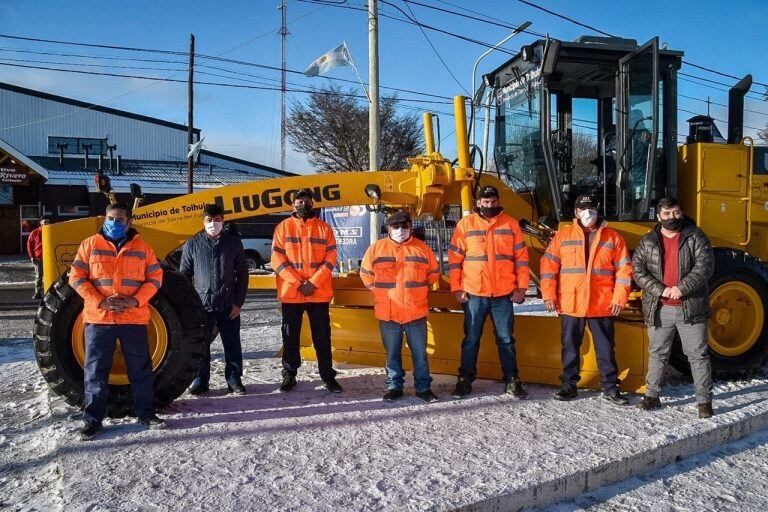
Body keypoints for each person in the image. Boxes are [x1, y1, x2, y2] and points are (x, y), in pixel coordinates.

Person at [69, 202, 165, 440]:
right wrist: (100, 302)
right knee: (95, 370)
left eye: (119, 219)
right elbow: (76, 277)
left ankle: (146, 414)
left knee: (141, 369)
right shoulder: (89, 245)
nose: (114, 223)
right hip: (99, 318)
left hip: (132, 318)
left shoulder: (142, 247)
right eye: (110, 218)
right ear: (105, 218)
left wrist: (135, 302)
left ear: (128, 222)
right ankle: (92, 420)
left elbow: (155, 278)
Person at [540, 194, 633, 405]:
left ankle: (610, 388)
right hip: (571, 303)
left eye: (591, 208)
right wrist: (548, 295)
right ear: (575, 212)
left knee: (606, 349)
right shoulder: (562, 237)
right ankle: (568, 386)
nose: (587, 212)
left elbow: (624, 271)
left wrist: (620, 298)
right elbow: (548, 267)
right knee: (570, 347)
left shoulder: (613, 237)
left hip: (602, 303)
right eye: (583, 208)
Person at [633, 197, 715, 419]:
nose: (673, 217)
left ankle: (704, 402)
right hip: (660, 308)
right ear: (659, 216)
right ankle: (652, 396)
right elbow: (638, 270)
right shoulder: (648, 240)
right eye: (667, 214)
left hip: (691, 306)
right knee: (657, 353)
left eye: (676, 212)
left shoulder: (695, 236)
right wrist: (661, 289)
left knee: (697, 356)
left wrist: (682, 288)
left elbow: (705, 265)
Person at [447, 185, 530, 399]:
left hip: (503, 294)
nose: (490, 206)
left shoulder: (510, 224)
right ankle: (465, 379)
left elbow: (521, 259)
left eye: (493, 202)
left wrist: (522, 288)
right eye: (485, 203)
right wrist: (456, 288)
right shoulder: (465, 225)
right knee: (471, 339)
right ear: (478, 203)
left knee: (506, 339)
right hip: (475, 293)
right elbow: (455, 261)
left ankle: (512, 379)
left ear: (498, 201)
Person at [360, 211, 441, 403]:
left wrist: (417, 292)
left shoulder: (423, 249)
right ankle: (394, 387)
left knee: (420, 355)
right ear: (388, 228)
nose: (401, 230)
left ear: (411, 227)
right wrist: (381, 293)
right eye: (396, 227)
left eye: (405, 226)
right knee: (392, 354)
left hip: (416, 313)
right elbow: (366, 275)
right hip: (388, 314)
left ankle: (423, 388)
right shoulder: (376, 249)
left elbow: (433, 275)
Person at [271, 188, 342, 393]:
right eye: (299, 201)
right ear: (293, 204)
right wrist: (298, 283)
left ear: (313, 203)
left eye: (307, 201)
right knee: (290, 337)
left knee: (322, 336)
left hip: (317, 294)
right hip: (292, 294)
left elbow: (331, 259)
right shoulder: (282, 228)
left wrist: (313, 283)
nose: (303, 204)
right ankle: (289, 375)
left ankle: (328, 376)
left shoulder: (325, 229)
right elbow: (277, 260)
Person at [180, 204, 249, 395]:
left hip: (228, 303)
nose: (213, 224)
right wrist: (190, 304)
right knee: (201, 345)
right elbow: (184, 275)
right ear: (203, 222)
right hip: (202, 306)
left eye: (217, 220)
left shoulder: (233, 243)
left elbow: (243, 274)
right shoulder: (192, 243)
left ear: (223, 221)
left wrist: (238, 303)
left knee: (232, 343)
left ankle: (234, 379)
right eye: (209, 220)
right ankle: (201, 380)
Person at [27, 217, 49, 300]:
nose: (46, 223)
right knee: (39, 276)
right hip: (38, 257)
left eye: (48, 221)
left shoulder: (52, 231)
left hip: (49, 257)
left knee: (49, 275)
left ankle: (48, 293)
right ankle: (37, 293)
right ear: (41, 223)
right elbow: (30, 245)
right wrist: (32, 256)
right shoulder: (35, 233)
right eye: (45, 221)